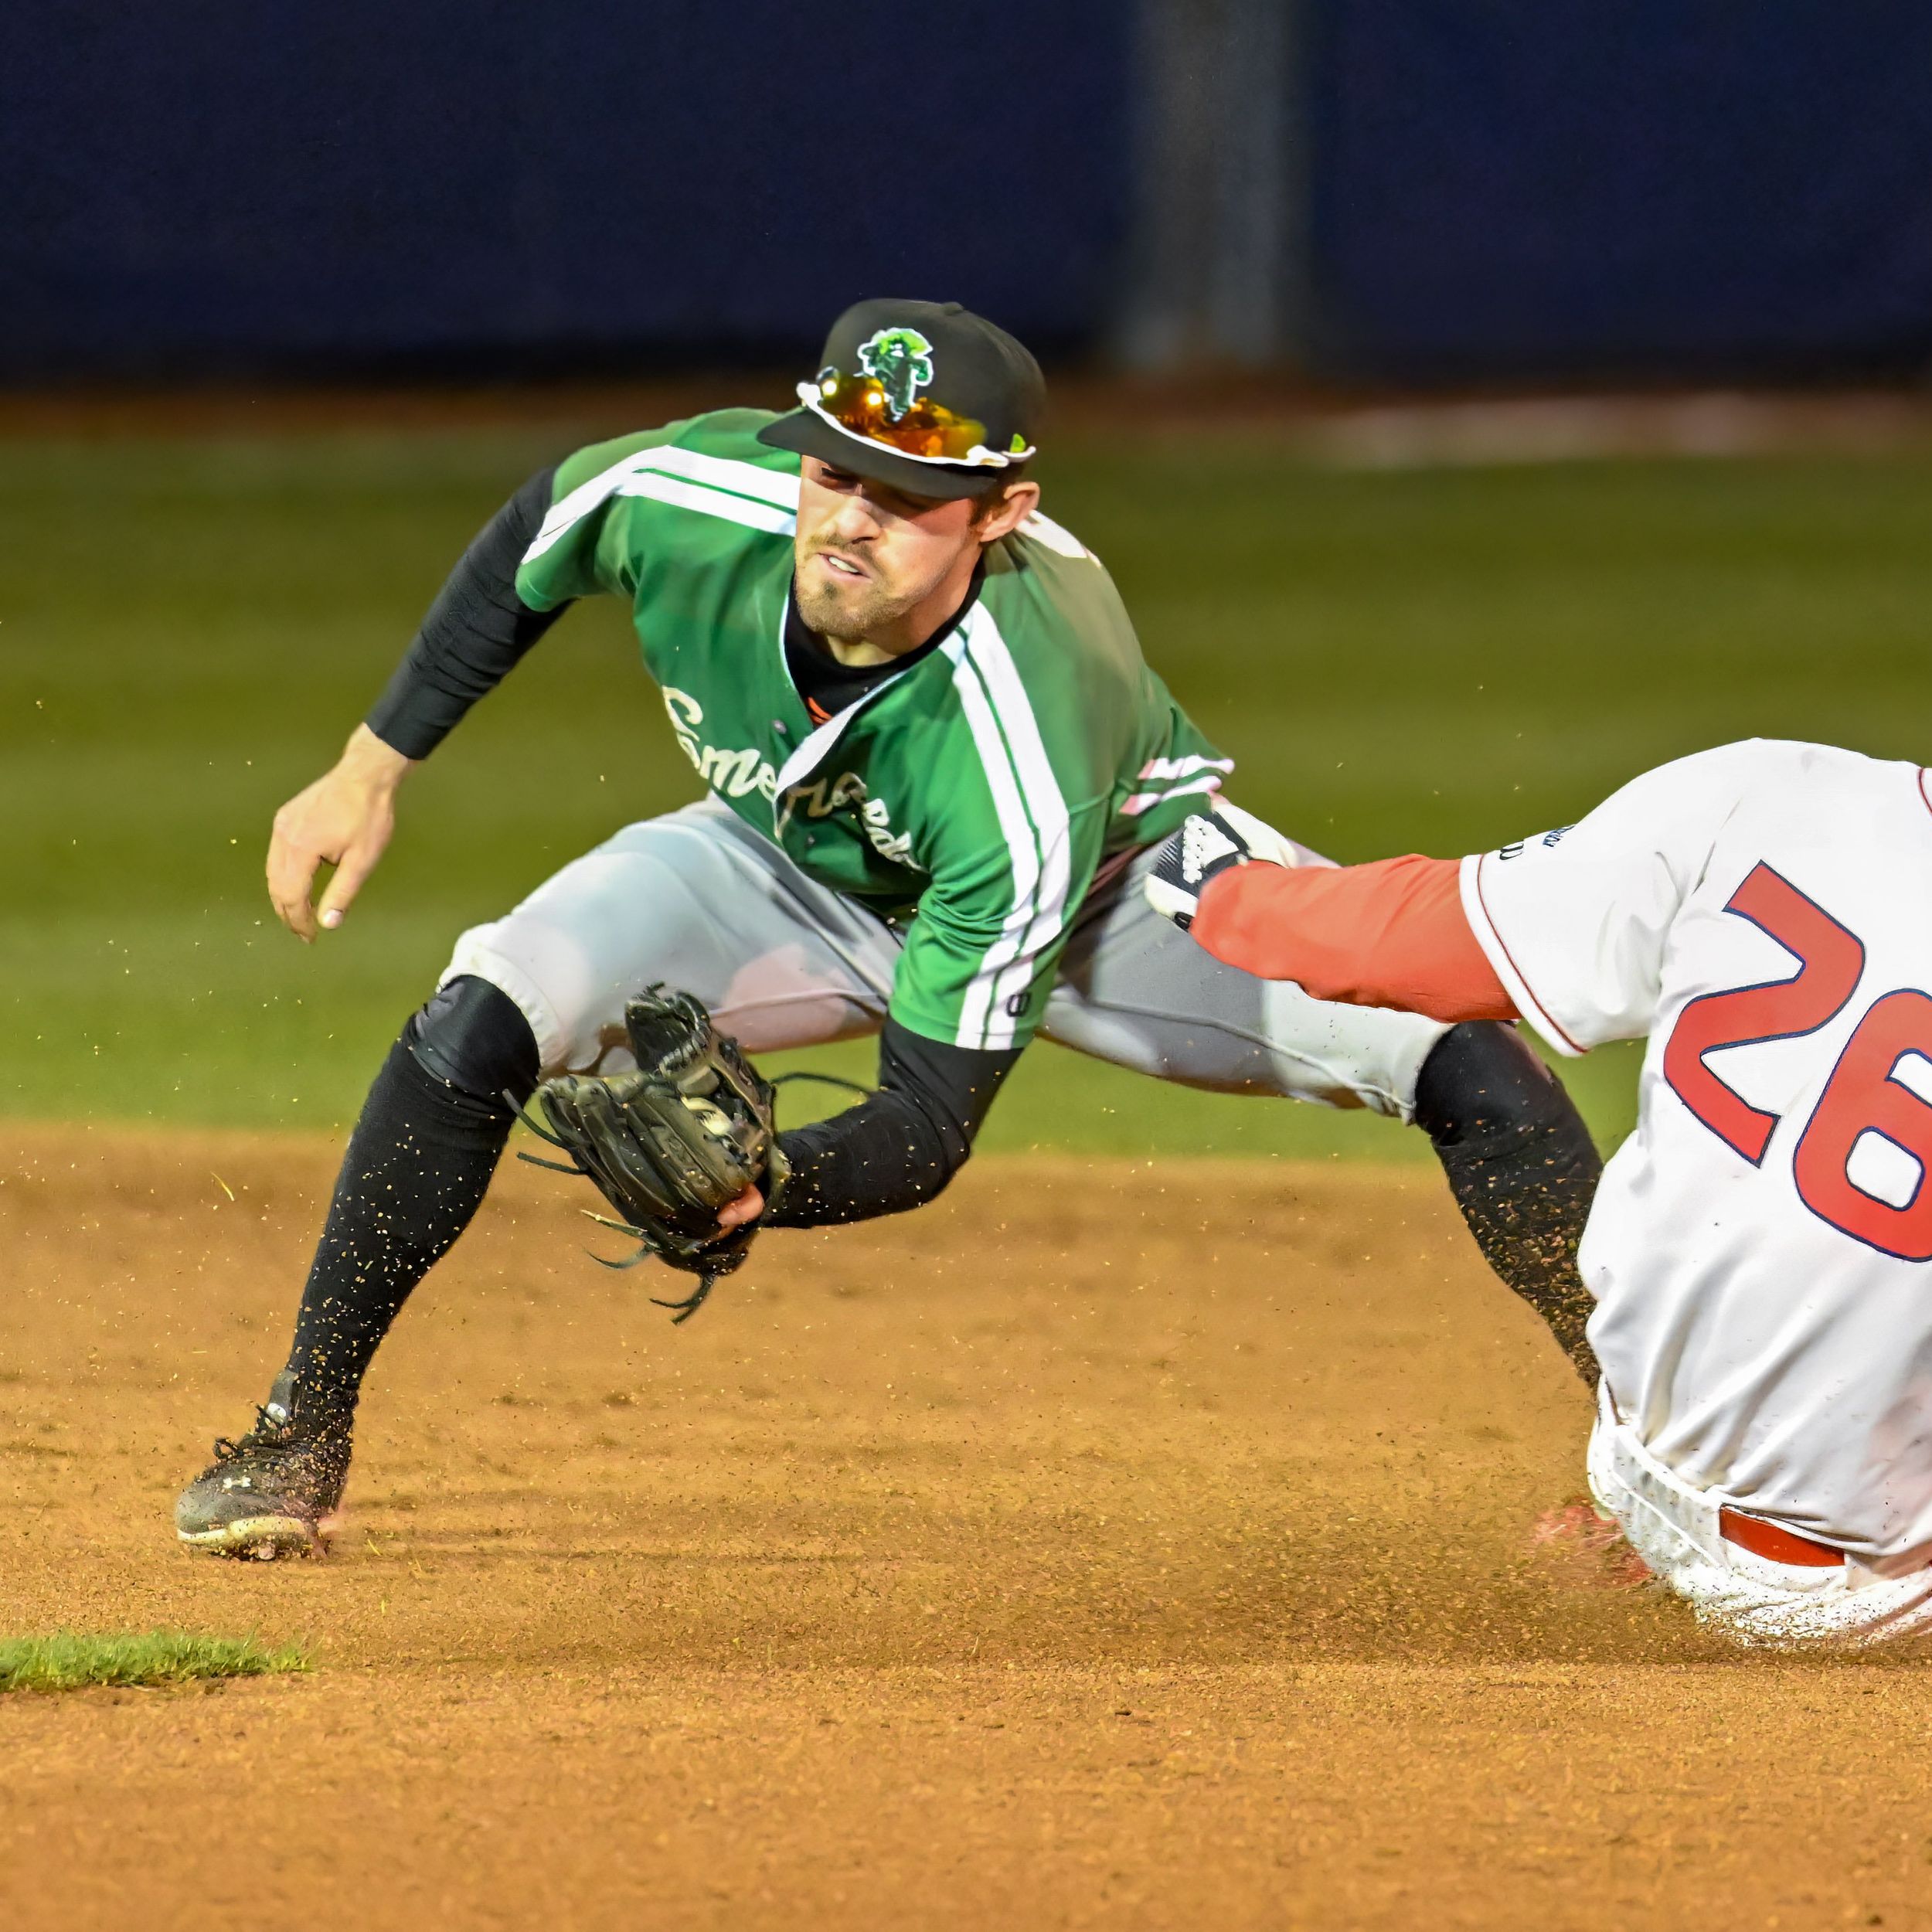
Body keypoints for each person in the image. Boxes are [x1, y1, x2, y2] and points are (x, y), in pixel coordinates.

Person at [175, 298, 1599, 1560]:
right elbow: (536, 533)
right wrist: (374, 764)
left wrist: (762, 1187)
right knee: (488, 1005)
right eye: (833, 468)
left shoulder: (1023, 745)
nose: (849, 515)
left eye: (908, 494)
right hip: (795, 864)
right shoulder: (698, 490)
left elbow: (924, 1125)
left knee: (1459, 1056)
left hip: (1118, 887)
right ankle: (299, 1436)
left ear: (1003, 512)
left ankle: (1670, 1470)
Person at [1146, 740, 1932, 1648]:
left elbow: (1405, 947)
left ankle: (1657, 1536)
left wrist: (1226, 887)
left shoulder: (1761, 794)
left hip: (1639, 1457)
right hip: (1866, 1589)